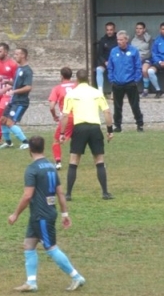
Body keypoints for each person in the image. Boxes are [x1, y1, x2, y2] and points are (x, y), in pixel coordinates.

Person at [7, 136, 85, 293]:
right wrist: (64, 213)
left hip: (41, 215)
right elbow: (60, 192)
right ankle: (31, 282)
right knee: (29, 245)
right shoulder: (51, 167)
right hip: (45, 213)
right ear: (44, 148)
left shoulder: (32, 169)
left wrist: (15, 214)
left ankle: (76, 277)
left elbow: (28, 195)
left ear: (30, 149)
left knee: (51, 247)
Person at [58, 69, 114, 200]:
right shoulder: (97, 93)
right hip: (95, 128)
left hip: (80, 128)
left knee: (74, 161)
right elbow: (107, 112)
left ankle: (68, 194)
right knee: (99, 160)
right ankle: (105, 192)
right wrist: (110, 130)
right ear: (88, 79)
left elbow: (65, 115)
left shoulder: (71, 94)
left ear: (76, 80)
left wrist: (62, 133)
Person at [106, 30, 144, 133]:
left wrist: (136, 80)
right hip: (117, 83)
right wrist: (112, 79)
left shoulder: (134, 51)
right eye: (118, 39)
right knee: (117, 106)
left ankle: (140, 124)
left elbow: (138, 66)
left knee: (135, 105)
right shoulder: (114, 51)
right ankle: (117, 125)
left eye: (121, 39)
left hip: (130, 83)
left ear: (126, 40)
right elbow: (110, 67)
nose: (119, 41)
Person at [0, 47, 33, 149]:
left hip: (21, 102)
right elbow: (17, 83)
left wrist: (14, 91)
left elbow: (28, 87)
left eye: (17, 54)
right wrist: (8, 82)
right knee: (2, 120)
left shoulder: (28, 71)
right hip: (13, 100)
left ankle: (26, 142)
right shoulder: (19, 68)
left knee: (10, 123)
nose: (15, 56)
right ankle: (9, 143)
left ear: (23, 55)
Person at [47, 67, 77, 167]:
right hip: (80, 116)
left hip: (67, 118)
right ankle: (99, 161)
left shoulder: (57, 88)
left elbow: (51, 107)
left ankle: (58, 162)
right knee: (80, 138)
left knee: (56, 140)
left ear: (61, 76)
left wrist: (54, 116)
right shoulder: (76, 86)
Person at [94, 22, 117, 93]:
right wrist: (105, 62)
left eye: (111, 30)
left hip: (116, 62)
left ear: (114, 30)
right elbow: (99, 54)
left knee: (117, 71)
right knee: (98, 69)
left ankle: (114, 92)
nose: (109, 32)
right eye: (107, 30)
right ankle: (100, 92)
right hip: (105, 62)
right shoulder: (103, 40)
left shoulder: (118, 39)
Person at [130, 22, 152, 92]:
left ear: (144, 29)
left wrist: (144, 57)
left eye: (140, 28)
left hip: (146, 59)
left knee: (144, 70)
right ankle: (131, 89)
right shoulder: (133, 39)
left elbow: (151, 51)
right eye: (137, 28)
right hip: (135, 59)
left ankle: (146, 89)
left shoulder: (149, 39)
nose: (138, 30)